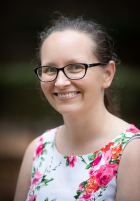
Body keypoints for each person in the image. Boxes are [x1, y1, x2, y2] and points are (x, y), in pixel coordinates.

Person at [14, 16, 140, 201]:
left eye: (75, 67)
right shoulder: (37, 150)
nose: (60, 82)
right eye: (49, 69)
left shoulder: (132, 152)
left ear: (107, 74)